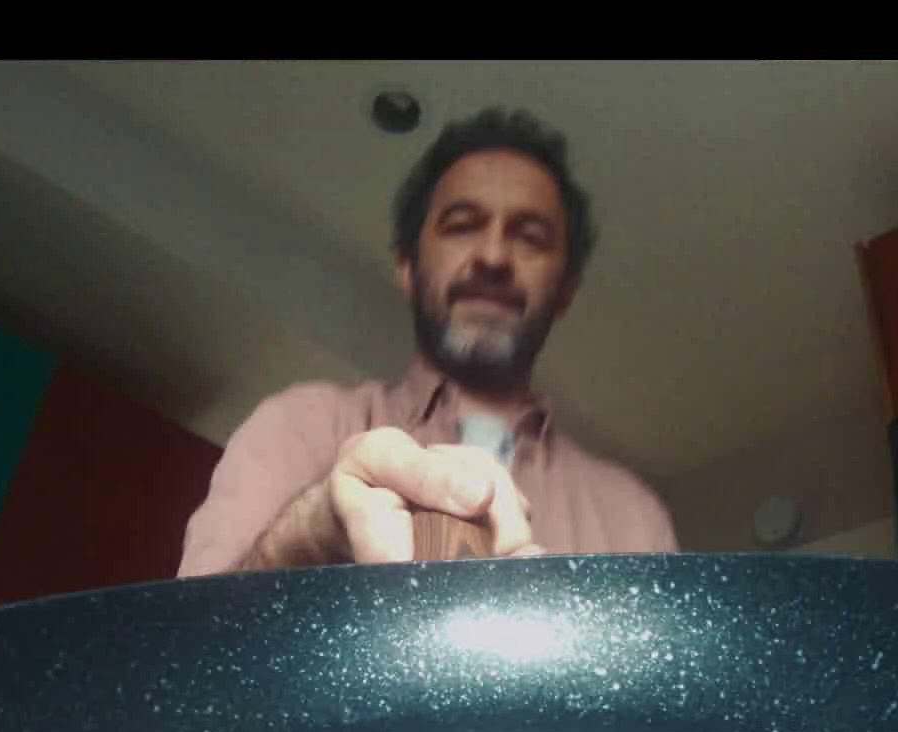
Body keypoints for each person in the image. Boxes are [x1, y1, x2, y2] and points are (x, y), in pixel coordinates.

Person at [177, 106, 679, 578]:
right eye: (462, 226)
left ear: (565, 290)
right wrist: (310, 533)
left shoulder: (633, 517)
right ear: (407, 266)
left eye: (530, 237)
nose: (493, 257)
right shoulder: (298, 425)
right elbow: (188, 636)